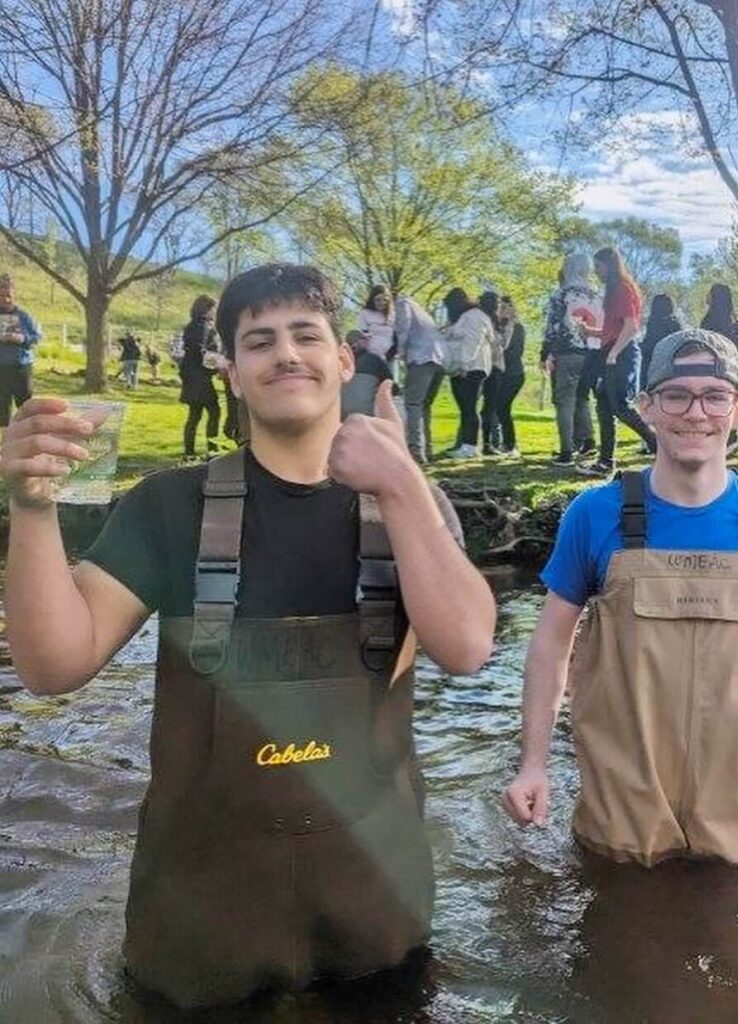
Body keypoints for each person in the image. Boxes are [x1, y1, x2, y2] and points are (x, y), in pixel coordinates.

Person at [1, 262, 496, 1009]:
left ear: (344, 360)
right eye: (259, 341)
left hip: (376, 919)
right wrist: (31, 509)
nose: (285, 354)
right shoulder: (166, 506)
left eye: (306, 335)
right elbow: (51, 667)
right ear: (231, 371)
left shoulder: (410, 506)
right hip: (200, 934)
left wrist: (400, 485)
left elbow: (466, 648)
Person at [504, 328, 738, 870]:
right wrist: (532, 763)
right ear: (647, 408)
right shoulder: (594, 515)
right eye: (676, 395)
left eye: (714, 395)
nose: (695, 413)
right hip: (624, 806)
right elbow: (551, 647)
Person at [574, 247, 657, 477]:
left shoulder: (622, 289)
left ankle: (658, 445)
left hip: (622, 354)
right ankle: (605, 462)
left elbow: (631, 327)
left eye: (599, 268)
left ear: (609, 267)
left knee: (619, 405)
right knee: (603, 407)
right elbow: (613, 330)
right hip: (611, 352)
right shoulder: (612, 291)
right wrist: (590, 331)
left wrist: (613, 354)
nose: (597, 273)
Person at [540, 253, 601, 466]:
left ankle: (567, 450)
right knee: (583, 398)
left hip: (566, 352)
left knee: (564, 401)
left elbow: (553, 327)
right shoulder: (595, 295)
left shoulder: (561, 294)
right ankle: (588, 441)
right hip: (591, 353)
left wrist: (544, 353)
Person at [441, 287, 494, 459]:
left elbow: (473, 341)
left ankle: (470, 446)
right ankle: (465, 443)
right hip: (461, 367)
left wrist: (464, 363)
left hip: (472, 367)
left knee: (469, 406)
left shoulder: (474, 316)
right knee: (465, 407)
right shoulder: (463, 318)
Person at [393, 295, 444, 464]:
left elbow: (403, 327)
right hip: (438, 361)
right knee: (425, 406)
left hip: (421, 358)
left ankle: (416, 451)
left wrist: (400, 351)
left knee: (413, 404)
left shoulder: (403, 304)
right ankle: (428, 450)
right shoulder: (423, 312)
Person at [700, 283, 738, 454]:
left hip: (713, 370)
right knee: (730, 402)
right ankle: (733, 436)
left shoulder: (707, 322)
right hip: (734, 371)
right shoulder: (735, 324)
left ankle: (720, 438)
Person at [179, 294, 221, 460]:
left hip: (191, 374)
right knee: (214, 411)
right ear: (208, 308)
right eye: (213, 309)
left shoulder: (192, 325)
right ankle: (212, 448)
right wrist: (216, 364)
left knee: (195, 414)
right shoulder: (202, 325)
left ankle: (189, 451)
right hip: (200, 376)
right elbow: (200, 350)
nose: (214, 312)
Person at [0, 274, 41, 427]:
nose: (5, 299)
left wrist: (22, 339)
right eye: (1, 295)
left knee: (25, 406)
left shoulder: (25, 317)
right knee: (1, 407)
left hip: (21, 367)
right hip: (0, 368)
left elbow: (36, 337)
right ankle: (3, 443)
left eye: (8, 295)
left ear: (14, 294)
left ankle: (27, 437)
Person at [496, 296, 526, 457]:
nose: (503, 310)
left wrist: (499, 356)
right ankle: (503, 443)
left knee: (502, 407)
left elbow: (516, 353)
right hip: (500, 374)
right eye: (501, 307)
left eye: (507, 307)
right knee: (499, 408)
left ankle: (510, 445)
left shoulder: (518, 328)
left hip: (514, 374)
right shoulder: (497, 327)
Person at [478, 291, 506, 456]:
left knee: (488, 407)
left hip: (492, 366)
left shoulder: (497, 322)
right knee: (485, 407)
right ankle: (482, 443)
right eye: (496, 303)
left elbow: (502, 345)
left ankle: (487, 443)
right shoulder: (484, 320)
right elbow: (499, 345)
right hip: (487, 365)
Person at [341, 328, 393, 418]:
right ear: (359, 342)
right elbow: (390, 385)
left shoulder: (339, 361)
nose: (368, 341)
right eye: (365, 339)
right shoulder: (374, 360)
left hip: (339, 415)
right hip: (365, 415)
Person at [639, 293, 683, 392]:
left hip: (650, 361)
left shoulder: (653, 322)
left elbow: (649, 343)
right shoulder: (675, 323)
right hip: (668, 363)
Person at [358, 285, 396, 367]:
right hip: (371, 356)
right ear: (372, 299)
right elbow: (363, 335)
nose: (382, 303)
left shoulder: (393, 316)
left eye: (385, 300)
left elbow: (397, 338)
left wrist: (389, 354)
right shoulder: (365, 313)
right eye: (378, 300)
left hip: (389, 357)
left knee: (389, 379)